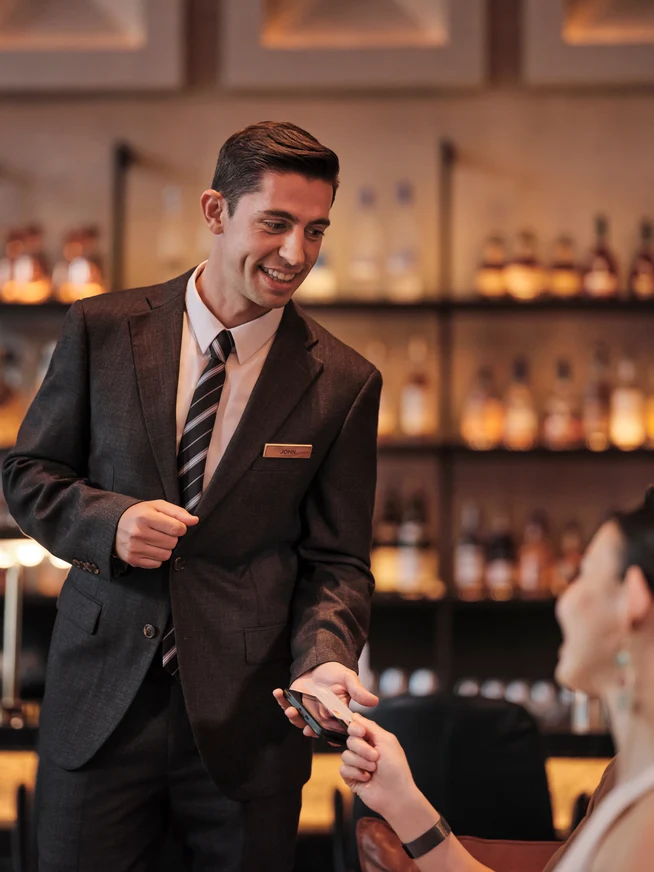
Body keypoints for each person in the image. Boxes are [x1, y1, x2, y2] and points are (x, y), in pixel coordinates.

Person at [2, 120, 381, 872]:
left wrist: (326, 655)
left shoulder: (344, 381)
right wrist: (109, 523)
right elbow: (27, 473)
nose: (296, 253)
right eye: (275, 223)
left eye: (315, 230)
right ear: (215, 211)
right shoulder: (102, 329)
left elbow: (337, 562)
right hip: (98, 711)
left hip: (248, 728)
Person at [332, 490, 654, 871]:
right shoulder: (622, 777)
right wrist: (400, 799)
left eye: (582, 575)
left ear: (632, 598)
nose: (563, 601)